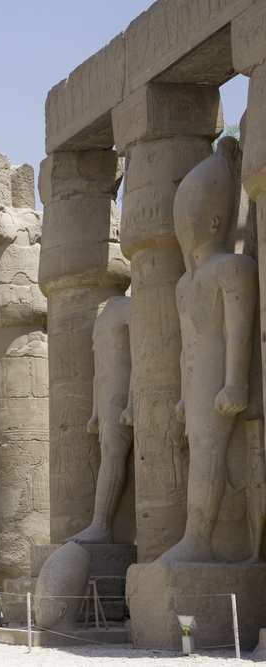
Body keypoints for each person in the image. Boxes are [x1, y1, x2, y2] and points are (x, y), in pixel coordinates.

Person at [158, 137, 257, 563]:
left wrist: (235, 383)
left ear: (215, 222)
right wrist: (183, 394)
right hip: (197, 377)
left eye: (190, 219)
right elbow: (185, 347)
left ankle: (199, 538)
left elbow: (239, 331)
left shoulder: (233, 268)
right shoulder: (184, 284)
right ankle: (197, 535)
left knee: (209, 452)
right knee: (197, 448)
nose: (183, 228)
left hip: (220, 375)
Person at [63, 294, 133, 544]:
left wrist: (133, 402)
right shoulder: (102, 317)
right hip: (106, 391)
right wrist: (95, 412)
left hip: (120, 391)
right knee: (108, 453)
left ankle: (102, 525)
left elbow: (140, 356)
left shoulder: (129, 306)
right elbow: (97, 369)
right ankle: (100, 524)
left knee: (113, 453)